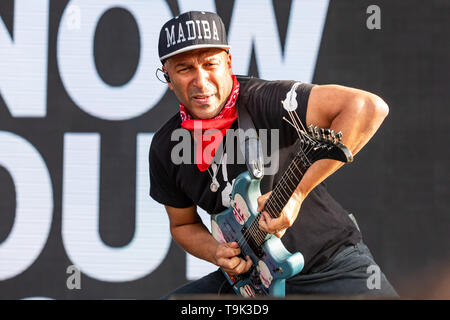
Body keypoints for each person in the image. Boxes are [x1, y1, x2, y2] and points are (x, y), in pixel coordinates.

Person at [150, 11, 398, 298]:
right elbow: (183, 224)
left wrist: (296, 194)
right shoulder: (165, 147)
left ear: (228, 63)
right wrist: (216, 251)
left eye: (210, 64)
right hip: (253, 283)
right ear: (168, 77)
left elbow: (367, 107)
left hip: (330, 265)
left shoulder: (267, 100)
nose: (201, 81)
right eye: (184, 69)